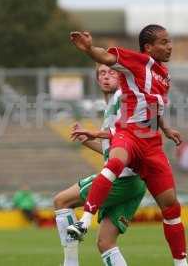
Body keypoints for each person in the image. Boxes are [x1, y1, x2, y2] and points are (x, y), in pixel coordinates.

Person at [67, 25, 188, 266]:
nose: (170, 46)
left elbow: (153, 105)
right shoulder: (137, 62)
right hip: (129, 136)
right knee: (114, 162)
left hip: (151, 145)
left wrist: (165, 128)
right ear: (148, 48)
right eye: (164, 42)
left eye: (169, 41)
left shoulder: (164, 74)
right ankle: (84, 222)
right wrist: (90, 49)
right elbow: (107, 57)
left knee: (171, 207)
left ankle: (181, 264)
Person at [54, 64, 147, 266]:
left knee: (61, 201)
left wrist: (95, 133)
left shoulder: (121, 98)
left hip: (121, 179)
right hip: (135, 181)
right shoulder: (111, 105)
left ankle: (70, 264)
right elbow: (116, 149)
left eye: (112, 73)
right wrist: (89, 141)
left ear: (121, 77)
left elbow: (130, 137)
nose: (106, 77)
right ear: (97, 80)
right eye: (102, 73)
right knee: (106, 243)